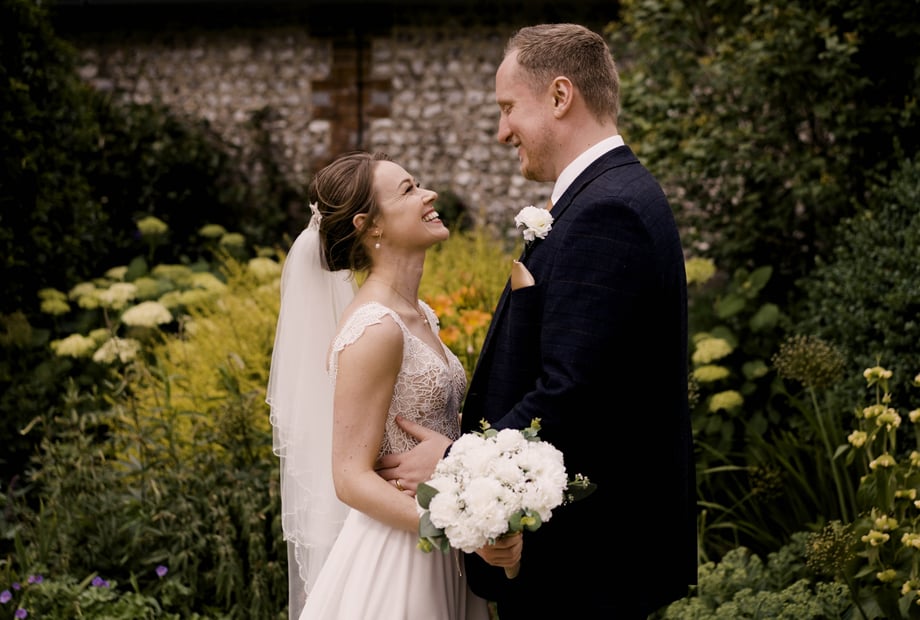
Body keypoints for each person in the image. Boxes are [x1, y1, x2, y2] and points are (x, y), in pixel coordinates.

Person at [375, 23, 698, 618]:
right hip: (585, 558)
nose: (502, 132)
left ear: (559, 95)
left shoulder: (607, 211)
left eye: (507, 108)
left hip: (586, 566)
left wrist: (454, 461)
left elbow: (575, 393)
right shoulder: (604, 196)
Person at [266, 151, 519, 619]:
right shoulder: (376, 328)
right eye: (408, 190)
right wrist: (456, 526)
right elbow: (350, 478)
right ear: (370, 226)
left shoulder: (420, 314)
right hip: (402, 557)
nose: (429, 194)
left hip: (443, 544)